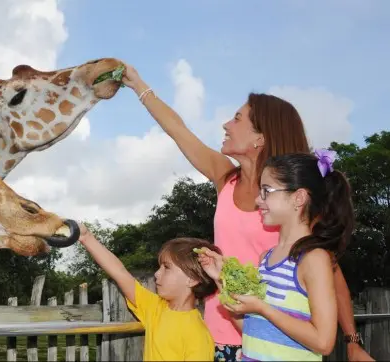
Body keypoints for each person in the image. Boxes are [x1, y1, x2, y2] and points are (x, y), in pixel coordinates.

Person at [119, 63, 374, 362]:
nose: (226, 124)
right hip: (219, 336)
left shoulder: (291, 204)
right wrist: (138, 86)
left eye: (237, 118)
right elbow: (178, 130)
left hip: (275, 342)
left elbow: (331, 276)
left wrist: (353, 342)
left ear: (260, 138)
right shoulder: (225, 178)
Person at [196, 150, 354, 360]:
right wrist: (221, 280)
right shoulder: (266, 258)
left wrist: (263, 308)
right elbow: (253, 331)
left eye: (266, 190)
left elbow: (324, 342)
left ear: (298, 198)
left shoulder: (314, 259)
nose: (258, 200)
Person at [78, 224, 220, 361]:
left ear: (192, 280)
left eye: (167, 267)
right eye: (160, 267)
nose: (157, 274)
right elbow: (119, 272)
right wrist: (86, 237)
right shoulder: (155, 308)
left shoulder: (198, 335)